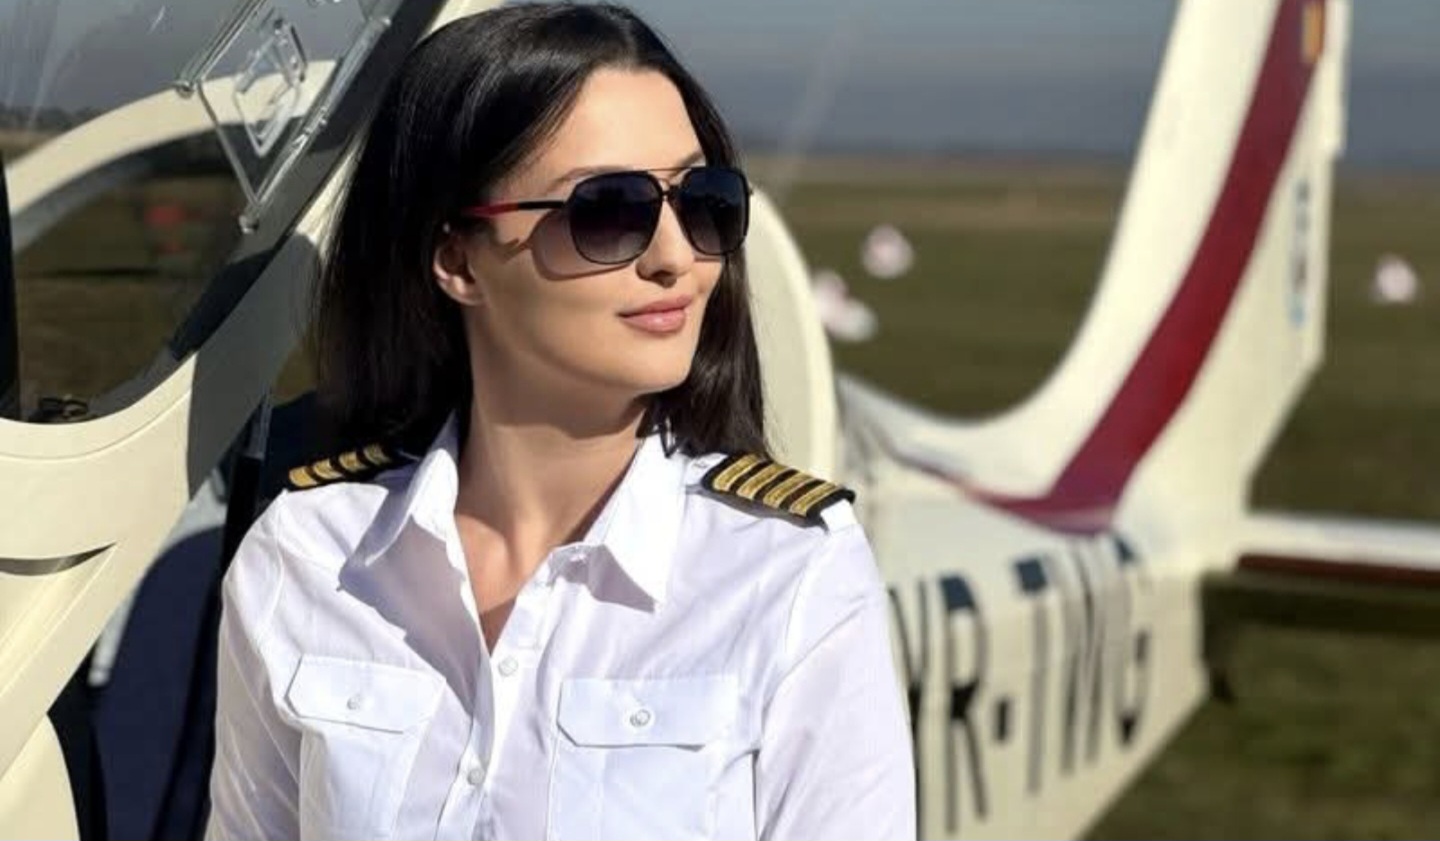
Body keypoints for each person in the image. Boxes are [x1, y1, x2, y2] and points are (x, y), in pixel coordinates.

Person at [205, 4, 915, 840]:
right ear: (457, 258)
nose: (677, 258)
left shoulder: (789, 571)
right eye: (608, 210)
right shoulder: (305, 555)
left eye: (704, 201)